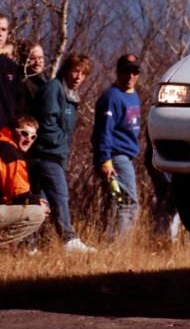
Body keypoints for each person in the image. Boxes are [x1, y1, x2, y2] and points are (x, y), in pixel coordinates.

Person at [29, 52, 96, 253]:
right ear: (66, 70)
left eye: (83, 73)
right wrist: (61, 145)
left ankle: (29, 244)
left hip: (55, 154)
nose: (78, 77)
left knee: (41, 200)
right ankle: (69, 239)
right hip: (46, 153)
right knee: (60, 195)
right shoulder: (53, 88)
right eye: (75, 71)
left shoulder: (70, 94)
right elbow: (47, 123)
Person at [91, 54, 142, 242]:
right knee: (128, 203)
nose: (130, 76)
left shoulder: (133, 95)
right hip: (115, 157)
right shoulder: (111, 98)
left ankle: (109, 242)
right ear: (118, 72)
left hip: (127, 155)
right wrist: (105, 159)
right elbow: (103, 131)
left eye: (135, 71)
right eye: (126, 71)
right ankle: (120, 246)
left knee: (117, 202)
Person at [0, 116, 49, 246]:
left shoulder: (3, 145)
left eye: (33, 137)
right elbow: (19, 193)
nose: (29, 139)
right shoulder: (11, 153)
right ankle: (3, 247)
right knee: (37, 213)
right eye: (24, 133)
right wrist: (37, 202)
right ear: (15, 132)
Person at [0, 13, 22, 129]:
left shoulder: (12, 68)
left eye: (3, 29)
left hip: (6, 134)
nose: (0, 34)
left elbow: (19, 103)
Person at [16, 40, 48, 116]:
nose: (37, 62)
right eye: (33, 58)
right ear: (24, 60)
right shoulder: (18, 79)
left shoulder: (43, 84)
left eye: (40, 58)